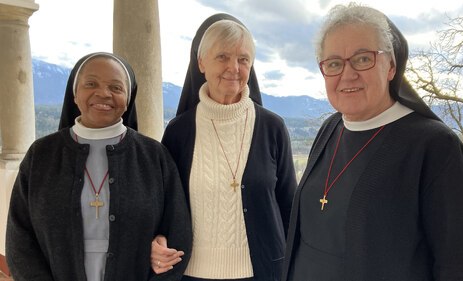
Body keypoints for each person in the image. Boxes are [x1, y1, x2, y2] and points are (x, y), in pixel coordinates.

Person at [281, 3, 463, 281]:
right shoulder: (331, 127)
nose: (347, 75)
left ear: (391, 66)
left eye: (363, 59)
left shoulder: (434, 146)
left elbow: (457, 265)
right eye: (334, 63)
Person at [6, 52, 192, 281]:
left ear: (128, 98)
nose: (103, 93)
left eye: (116, 87)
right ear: (75, 94)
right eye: (91, 83)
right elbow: (20, 239)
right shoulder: (41, 156)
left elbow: (178, 233)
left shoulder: (154, 157)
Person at [151, 14, 297, 281]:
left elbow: (289, 206)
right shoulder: (178, 132)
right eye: (223, 57)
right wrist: (157, 239)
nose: (234, 67)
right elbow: (163, 205)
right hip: (191, 274)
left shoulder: (273, 128)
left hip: (264, 272)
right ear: (201, 62)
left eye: (243, 59)